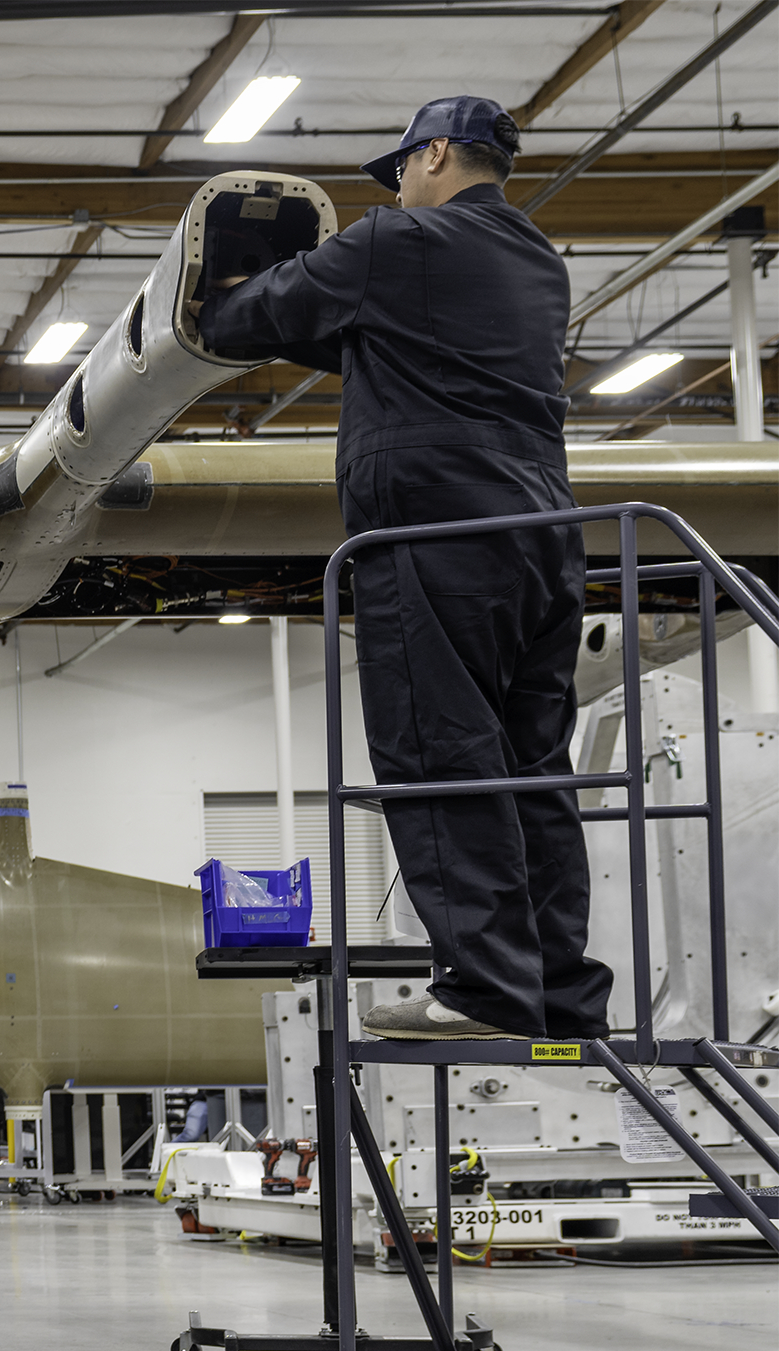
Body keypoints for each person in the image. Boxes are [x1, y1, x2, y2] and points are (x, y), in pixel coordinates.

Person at [201, 95, 614, 1043]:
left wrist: (214, 295)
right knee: (529, 767)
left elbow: (252, 315)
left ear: (433, 155)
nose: (393, 189)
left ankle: (485, 987)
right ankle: (557, 989)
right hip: (547, 537)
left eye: (400, 171)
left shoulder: (398, 243)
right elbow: (358, 333)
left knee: (439, 752)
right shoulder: (534, 263)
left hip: (439, 535)